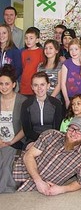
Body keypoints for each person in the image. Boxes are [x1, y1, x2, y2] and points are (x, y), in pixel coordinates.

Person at [13, 117, 81, 195]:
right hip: (14, 165)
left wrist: (62, 189)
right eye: (72, 129)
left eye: (79, 131)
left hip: (24, 186)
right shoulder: (51, 135)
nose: (74, 133)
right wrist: (38, 181)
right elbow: (29, 155)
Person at [0, 64, 26, 193]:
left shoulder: (22, 101)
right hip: (0, 140)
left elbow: (25, 128)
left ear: (14, 84)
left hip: (15, 141)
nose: (4, 87)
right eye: (1, 84)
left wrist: (11, 141)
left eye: (7, 84)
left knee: (6, 164)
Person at [21, 72, 63, 150]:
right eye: (36, 85)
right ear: (32, 87)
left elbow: (57, 127)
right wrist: (40, 140)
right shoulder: (26, 104)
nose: (39, 88)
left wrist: (47, 140)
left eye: (42, 84)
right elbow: (27, 130)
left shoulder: (56, 103)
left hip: (53, 138)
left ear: (48, 86)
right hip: (32, 140)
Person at [61, 38, 81, 109]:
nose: (73, 52)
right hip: (69, 96)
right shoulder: (66, 63)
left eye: (76, 49)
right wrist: (66, 100)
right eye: (71, 49)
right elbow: (63, 83)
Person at [20, 27, 44, 96]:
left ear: (37, 40)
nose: (28, 40)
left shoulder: (41, 52)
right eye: (26, 38)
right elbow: (24, 68)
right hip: (25, 85)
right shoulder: (23, 53)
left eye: (31, 38)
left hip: (36, 85)